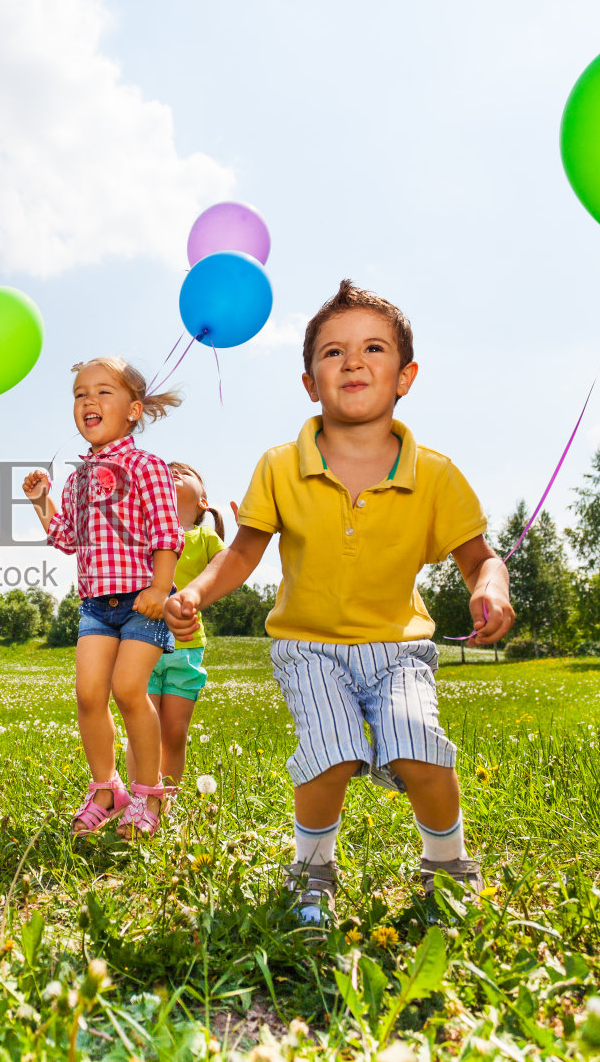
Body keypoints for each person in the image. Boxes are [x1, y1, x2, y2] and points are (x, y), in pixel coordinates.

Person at [165, 279, 514, 923]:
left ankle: (447, 865)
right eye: (333, 352)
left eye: (374, 348)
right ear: (308, 382)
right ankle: (313, 870)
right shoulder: (278, 464)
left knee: (421, 747)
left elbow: (479, 556)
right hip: (309, 648)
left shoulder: (434, 473)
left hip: (400, 650)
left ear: (405, 375)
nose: (353, 362)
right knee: (331, 752)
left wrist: (490, 586)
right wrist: (195, 591)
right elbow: (242, 551)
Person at [23, 357, 184, 839]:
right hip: (96, 606)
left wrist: (160, 587)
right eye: (79, 394)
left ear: (134, 410)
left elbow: (166, 532)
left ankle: (149, 795)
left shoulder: (147, 467)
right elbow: (65, 537)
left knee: (129, 690)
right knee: (89, 695)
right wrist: (40, 500)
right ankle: (105, 789)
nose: (88, 401)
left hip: (142, 600)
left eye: (102, 392)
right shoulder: (77, 479)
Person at [125, 462, 224, 809]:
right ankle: (140, 797)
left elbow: (230, 564)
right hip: (142, 645)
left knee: (174, 734)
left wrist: (244, 534)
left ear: (203, 502)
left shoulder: (206, 537)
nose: (173, 473)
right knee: (141, 730)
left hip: (186, 649)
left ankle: (166, 800)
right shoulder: (147, 532)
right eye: (168, 471)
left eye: (185, 472)